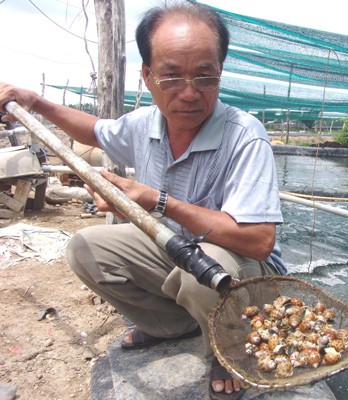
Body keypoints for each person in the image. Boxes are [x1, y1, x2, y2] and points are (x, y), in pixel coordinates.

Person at [0, 1, 286, 399]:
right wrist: (37, 103)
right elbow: (96, 131)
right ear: (148, 76)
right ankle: (172, 324)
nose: (190, 93)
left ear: (220, 74)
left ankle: (230, 348)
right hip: (174, 252)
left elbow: (258, 240)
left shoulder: (244, 135)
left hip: (237, 269)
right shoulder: (143, 123)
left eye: (205, 77)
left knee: (205, 269)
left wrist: (155, 200)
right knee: (86, 248)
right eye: (171, 77)